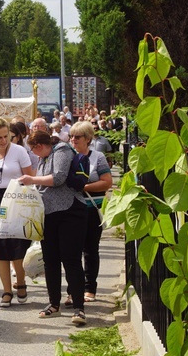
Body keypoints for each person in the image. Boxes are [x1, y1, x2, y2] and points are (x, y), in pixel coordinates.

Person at [19, 130, 88, 325]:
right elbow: (42, 185)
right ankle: (53, 304)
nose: (33, 154)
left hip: (70, 212)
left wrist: (31, 180)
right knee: (50, 260)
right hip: (49, 215)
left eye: (33, 150)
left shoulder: (62, 150)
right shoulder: (43, 159)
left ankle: (79, 308)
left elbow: (58, 178)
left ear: (39, 146)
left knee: (71, 259)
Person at [0, 117, 34, 307]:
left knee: (18, 244)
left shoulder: (19, 151)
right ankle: (6, 290)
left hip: (17, 198)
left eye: (6, 136)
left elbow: (30, 177)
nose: (4, 141)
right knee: (1, 246)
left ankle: (20, 282)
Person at [70, 121, 113, 303]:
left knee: (90, 250)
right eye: (71, 136)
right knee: (72, 251)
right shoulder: (68, 157)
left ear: (87, 139)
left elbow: (107, 182)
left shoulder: (98, 157)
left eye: (77, 137)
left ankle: (90, 287)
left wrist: (84, 186)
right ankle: (73, 289)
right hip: (72, 210)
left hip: (92, 209)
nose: (73, 140)